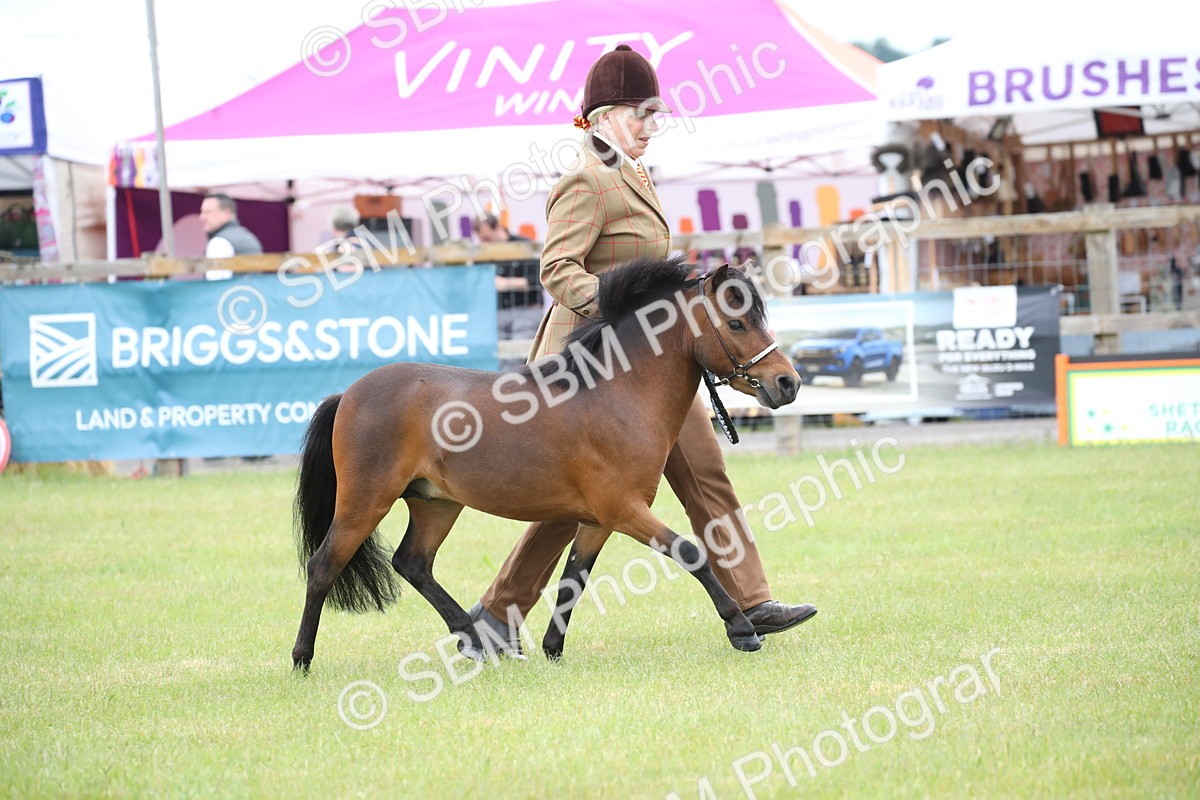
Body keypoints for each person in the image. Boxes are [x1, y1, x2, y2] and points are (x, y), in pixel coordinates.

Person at [469, 44, 816, 652]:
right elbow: (557, 270)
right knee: (572, 502)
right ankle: (498, 615)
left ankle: (751, 601)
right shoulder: (587, 180)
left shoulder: (633, 173)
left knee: (707, 473)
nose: (651, 128)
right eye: (640, 115)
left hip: (655, 370)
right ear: (602, 116)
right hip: (591, 367)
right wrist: (625, 315)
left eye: (655, 116)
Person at [473, 213, 544, 371]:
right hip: (497, 313)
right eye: (481, 239)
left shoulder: (526, 246)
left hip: (526, 311)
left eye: (487, 237)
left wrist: (506, 283)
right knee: (498, 358)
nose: (485, 242)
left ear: (497, 227)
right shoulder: (482, 253)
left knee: (516, 359)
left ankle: (508, 391)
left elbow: (539, 281)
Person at [199, 193, 263, 257]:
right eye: (202, 212)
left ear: (226, 213)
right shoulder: (250, 238)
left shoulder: (219, 242)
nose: (202, 217)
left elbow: (214, 267)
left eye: (207, 212)